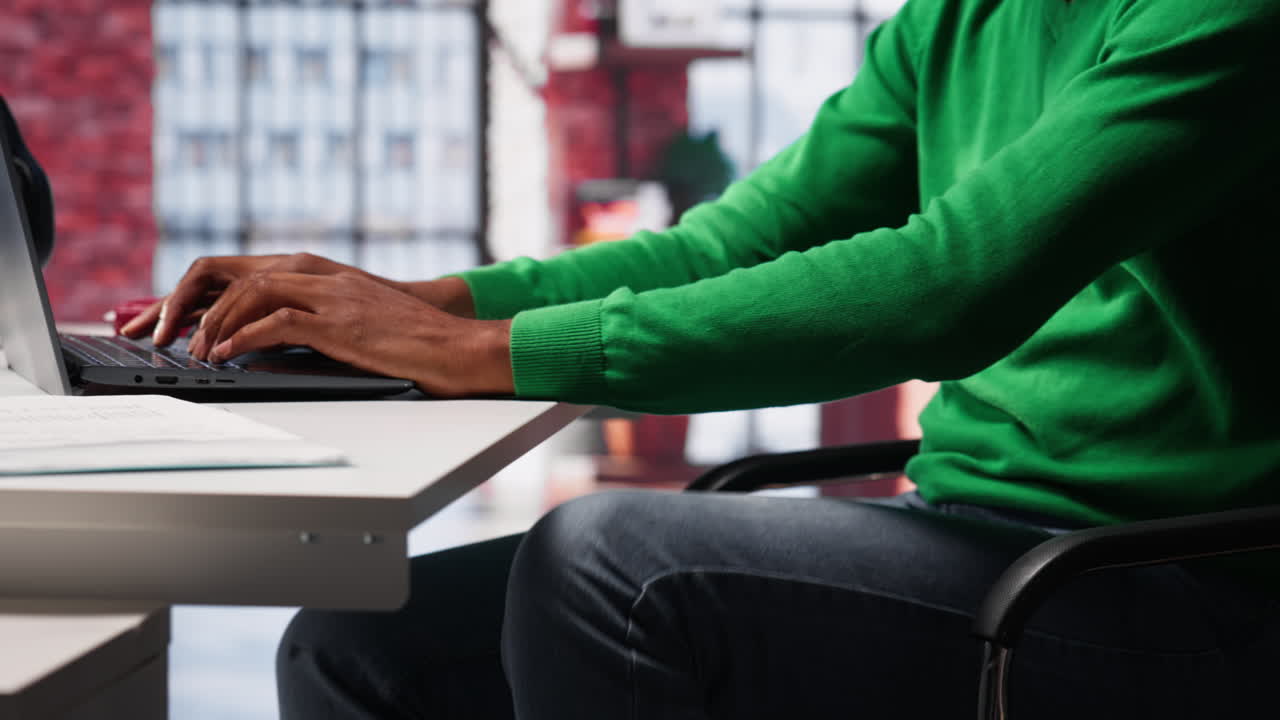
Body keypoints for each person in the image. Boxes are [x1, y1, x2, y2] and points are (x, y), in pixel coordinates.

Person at [124, 0, 1280, 717]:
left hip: (1178, 587)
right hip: (984, 544)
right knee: (364, 640)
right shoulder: (955, 18)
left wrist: (482, 350)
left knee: (616, 567)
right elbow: (737, 244)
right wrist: (412, 303)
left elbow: (951, 283)